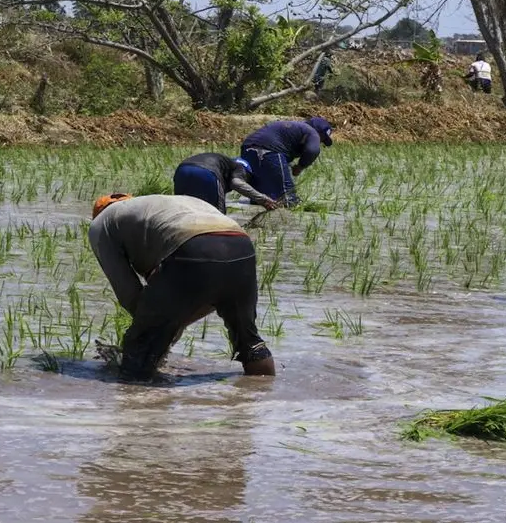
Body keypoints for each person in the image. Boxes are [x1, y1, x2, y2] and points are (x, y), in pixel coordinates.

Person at [88, 192, 276, 382]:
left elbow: (129, 293)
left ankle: (138, 403)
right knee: (250, 343)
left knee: (140, 343)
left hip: (191, 245)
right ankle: (262, 399)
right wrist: (173, 322)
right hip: (240, 246)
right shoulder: (154, 207)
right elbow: (203, 293)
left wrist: (157, 331)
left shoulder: (101, 224)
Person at [240, 117, 334, 207]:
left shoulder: (295, 129)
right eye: (323, 139)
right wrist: (300, 167)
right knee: (289, 199)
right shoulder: (312, 132)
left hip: (247, 149)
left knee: (261, 199)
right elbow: (313, 150)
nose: (320, 142)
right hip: (269, 151)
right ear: (319, 132)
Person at [172, 151, 279, 214]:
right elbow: (236, 183)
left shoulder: (224, 163)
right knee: (219, 216)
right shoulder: (240, 167)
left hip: (182, 170)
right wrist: (263, 199)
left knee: (183, 213)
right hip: (207, 172)